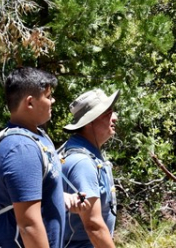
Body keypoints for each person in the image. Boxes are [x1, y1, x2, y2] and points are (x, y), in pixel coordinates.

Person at [0, 67, 84, 248]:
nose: (53, 101)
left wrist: (59, 196)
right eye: (48, 97)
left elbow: (29, 194)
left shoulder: (37, 138)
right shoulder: (21, 148)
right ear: (30, 103)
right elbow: (28, 225)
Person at [61, 89, 120, 248]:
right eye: (107, 114)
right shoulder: (82, 163)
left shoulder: (84, 154)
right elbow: (93, 225)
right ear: (89, 122)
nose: (115, 118)